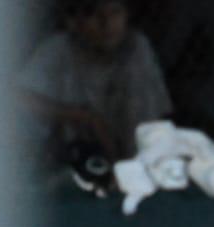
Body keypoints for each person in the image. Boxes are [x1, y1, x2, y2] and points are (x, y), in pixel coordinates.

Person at [20, 0, 173, 162]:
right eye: (95, 15)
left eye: (115, 12)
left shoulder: (137, 48)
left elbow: (151, 121)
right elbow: (19, 96)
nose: (107, 23)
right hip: (72, 156)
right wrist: (82, 116)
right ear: (75, 21)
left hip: (130, 156)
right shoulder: (60, 47)